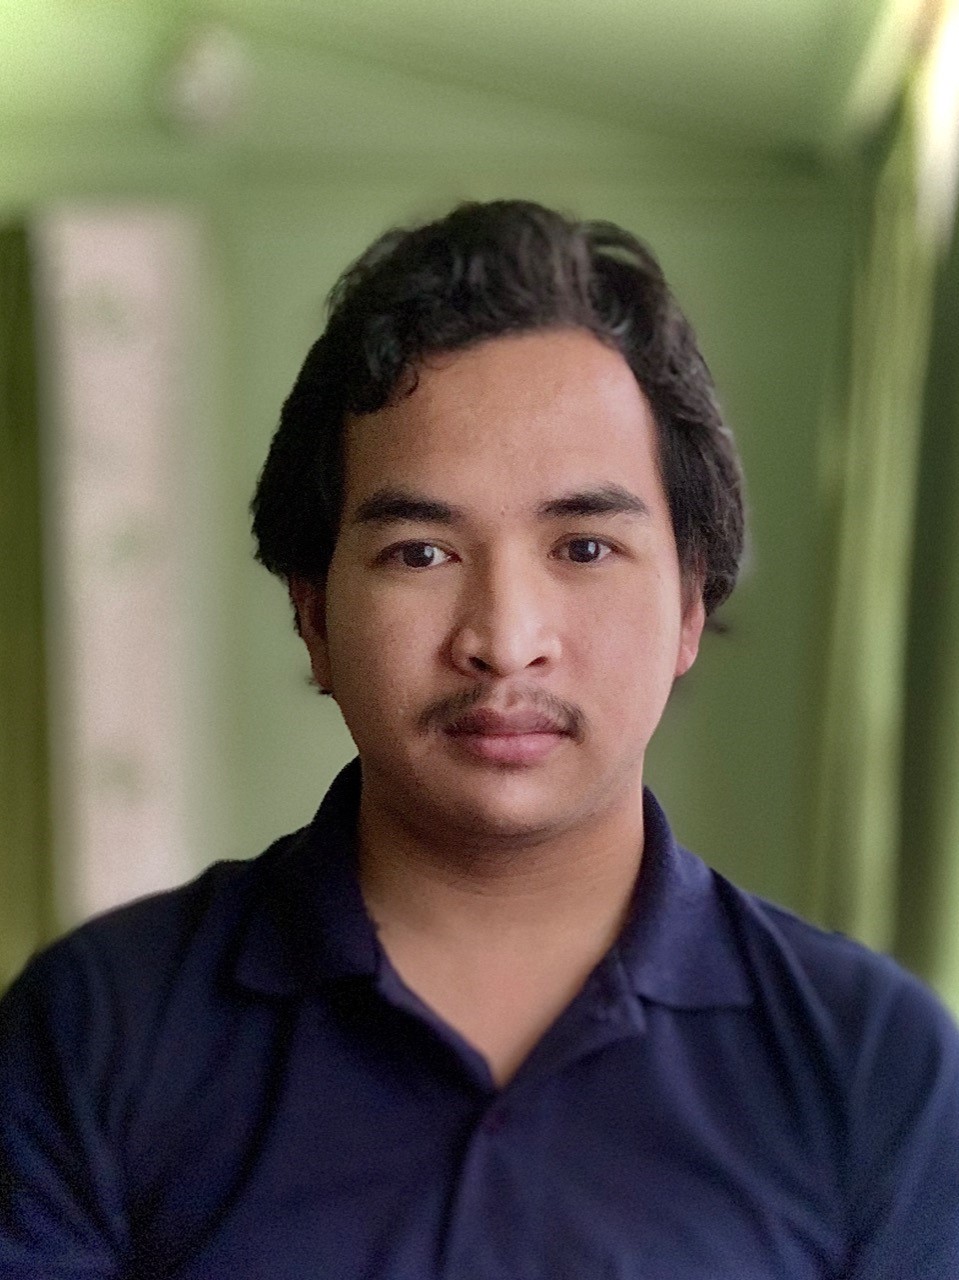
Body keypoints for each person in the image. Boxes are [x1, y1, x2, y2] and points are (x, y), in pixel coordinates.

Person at [2, 199, 958, 1279]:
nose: (503, 641)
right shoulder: (96, 1029)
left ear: (690, 607)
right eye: (420, 552)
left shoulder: (872, 1063)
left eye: (583, 547)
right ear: (312, 616)